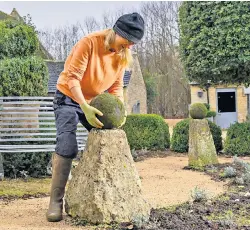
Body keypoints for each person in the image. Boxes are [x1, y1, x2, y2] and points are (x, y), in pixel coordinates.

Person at [46, 12, 145, 222]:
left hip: (93, 101)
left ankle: (113, 197)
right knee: (68, 145)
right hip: (68, 97)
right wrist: (83, 105)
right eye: (125, 42)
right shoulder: (89, 43)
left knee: (110, 136)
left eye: (131, 45)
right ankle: (56, 202)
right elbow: (72, 78)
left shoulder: (122, 54)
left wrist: (120, 109)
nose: (127, 47)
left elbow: (116, 86)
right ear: (116, 32)